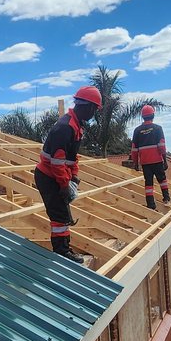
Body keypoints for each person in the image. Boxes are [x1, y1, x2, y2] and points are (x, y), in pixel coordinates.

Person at [34, 85, 102, 262]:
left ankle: (64, 248)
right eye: (94, 109)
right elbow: (57, 161)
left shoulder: (76, 125)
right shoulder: (66, 127)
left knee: (63, 214)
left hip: (56, 175)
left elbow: (71, 158)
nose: (94, 113)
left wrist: (74, 176)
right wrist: (64, 185)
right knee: (59, 216)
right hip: (48, 176)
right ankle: (62, 252)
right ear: (87, 106)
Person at [130, 104, 169, 209]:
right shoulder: (158, 128)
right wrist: (165, 160)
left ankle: (151, 204)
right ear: (153, 116)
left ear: (143, 116)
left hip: (145, 162)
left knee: (148, 183)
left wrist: (136, 163)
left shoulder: (137, 131)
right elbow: (161, 145)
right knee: (162, 180)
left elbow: (134, 149)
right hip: (157, 159)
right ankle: (166, 199)